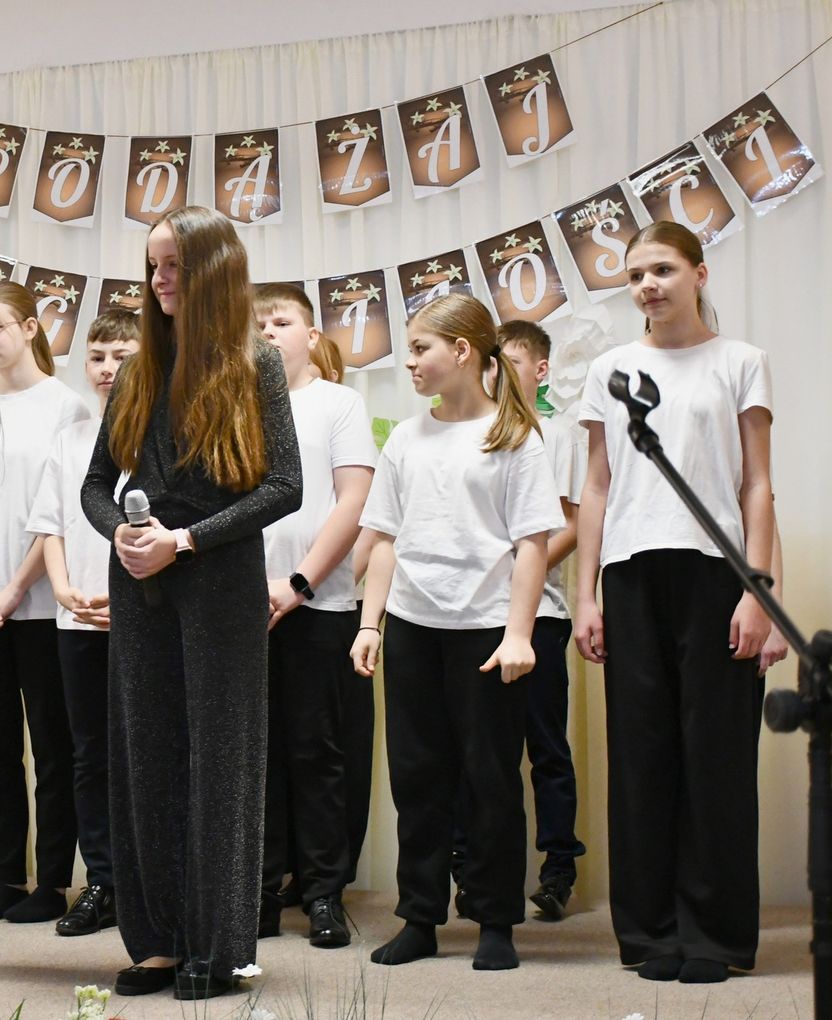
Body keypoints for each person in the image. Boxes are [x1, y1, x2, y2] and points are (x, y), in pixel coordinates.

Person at [81, 206, 301, 1001]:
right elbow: (95, 486)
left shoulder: (255, 363)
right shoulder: (138, 369)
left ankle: (216, 948)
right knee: (145, 757)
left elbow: (285, 485)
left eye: (172, 265)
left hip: (218, 581)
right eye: (152, 266)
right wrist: (121, 533)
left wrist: (185, 540)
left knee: (220, 761)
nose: (158, 280)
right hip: (141, 584)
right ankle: (158, 944)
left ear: (212, 269)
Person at [573, 221, 774, 985]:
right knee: (641, 755)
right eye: (634, 276)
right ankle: (650, 931)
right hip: (630, 573)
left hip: (717, 573)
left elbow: (757, 484)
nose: (647, 286)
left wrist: (758, 590)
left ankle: (714, 935)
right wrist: (585, 593)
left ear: (699, 273)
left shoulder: (740, 362)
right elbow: (597, 486)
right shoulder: (611, 369)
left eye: (661, 269)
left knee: (716, 755)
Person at [351, 292, 562, 972]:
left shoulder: (514, 436)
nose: (409, 362)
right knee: (418, 778)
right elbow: (385, 539)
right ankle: (420, 917)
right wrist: (371, 623)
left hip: (485, 633)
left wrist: (519, 634)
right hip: (414, 630)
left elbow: (533, 545)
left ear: (463, 352)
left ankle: (496, 920)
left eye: (420, 348)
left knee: (491, 777)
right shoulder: (407, 439)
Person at [448, 319, 587, 922]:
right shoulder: (471, 433)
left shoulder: (560, 436)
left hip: (543, 615)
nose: (499, 373)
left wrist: (519, 573)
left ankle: (558, 869)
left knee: (546, 747)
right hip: (475, 617)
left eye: (512, 362)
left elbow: (573, 523)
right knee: (476, 751)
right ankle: (470, 868)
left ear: (540, 369)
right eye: (492, 362)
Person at [252, 284, 374, 949]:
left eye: (281, 321)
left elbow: (353, 501)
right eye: (257, 324)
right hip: (242, 605)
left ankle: (324, 892)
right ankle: (262, 892)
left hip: (319, 602)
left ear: (311, 335)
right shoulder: (233, 404)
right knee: (257, 754)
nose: (268, 332)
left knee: (317, 749)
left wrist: (298, 583)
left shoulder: (338, 403)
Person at [0, 280, 92, 924]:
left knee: (52, 748)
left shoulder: (65, 406)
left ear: (30, 328)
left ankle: (53, 881)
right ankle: (5, 876)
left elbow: (59, 515)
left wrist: (14, 589)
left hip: (42, 603)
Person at [25, 307, 140, 937]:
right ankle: (102, 881)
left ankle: (151, 883)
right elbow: (50, 527)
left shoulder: (164, 432)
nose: (107, 368)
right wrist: (65, 590)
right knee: (89, 755)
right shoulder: (70, 440)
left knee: (146, 754)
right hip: (78, 621)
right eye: (97, 357)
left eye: (122, 356)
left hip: (143, 621)